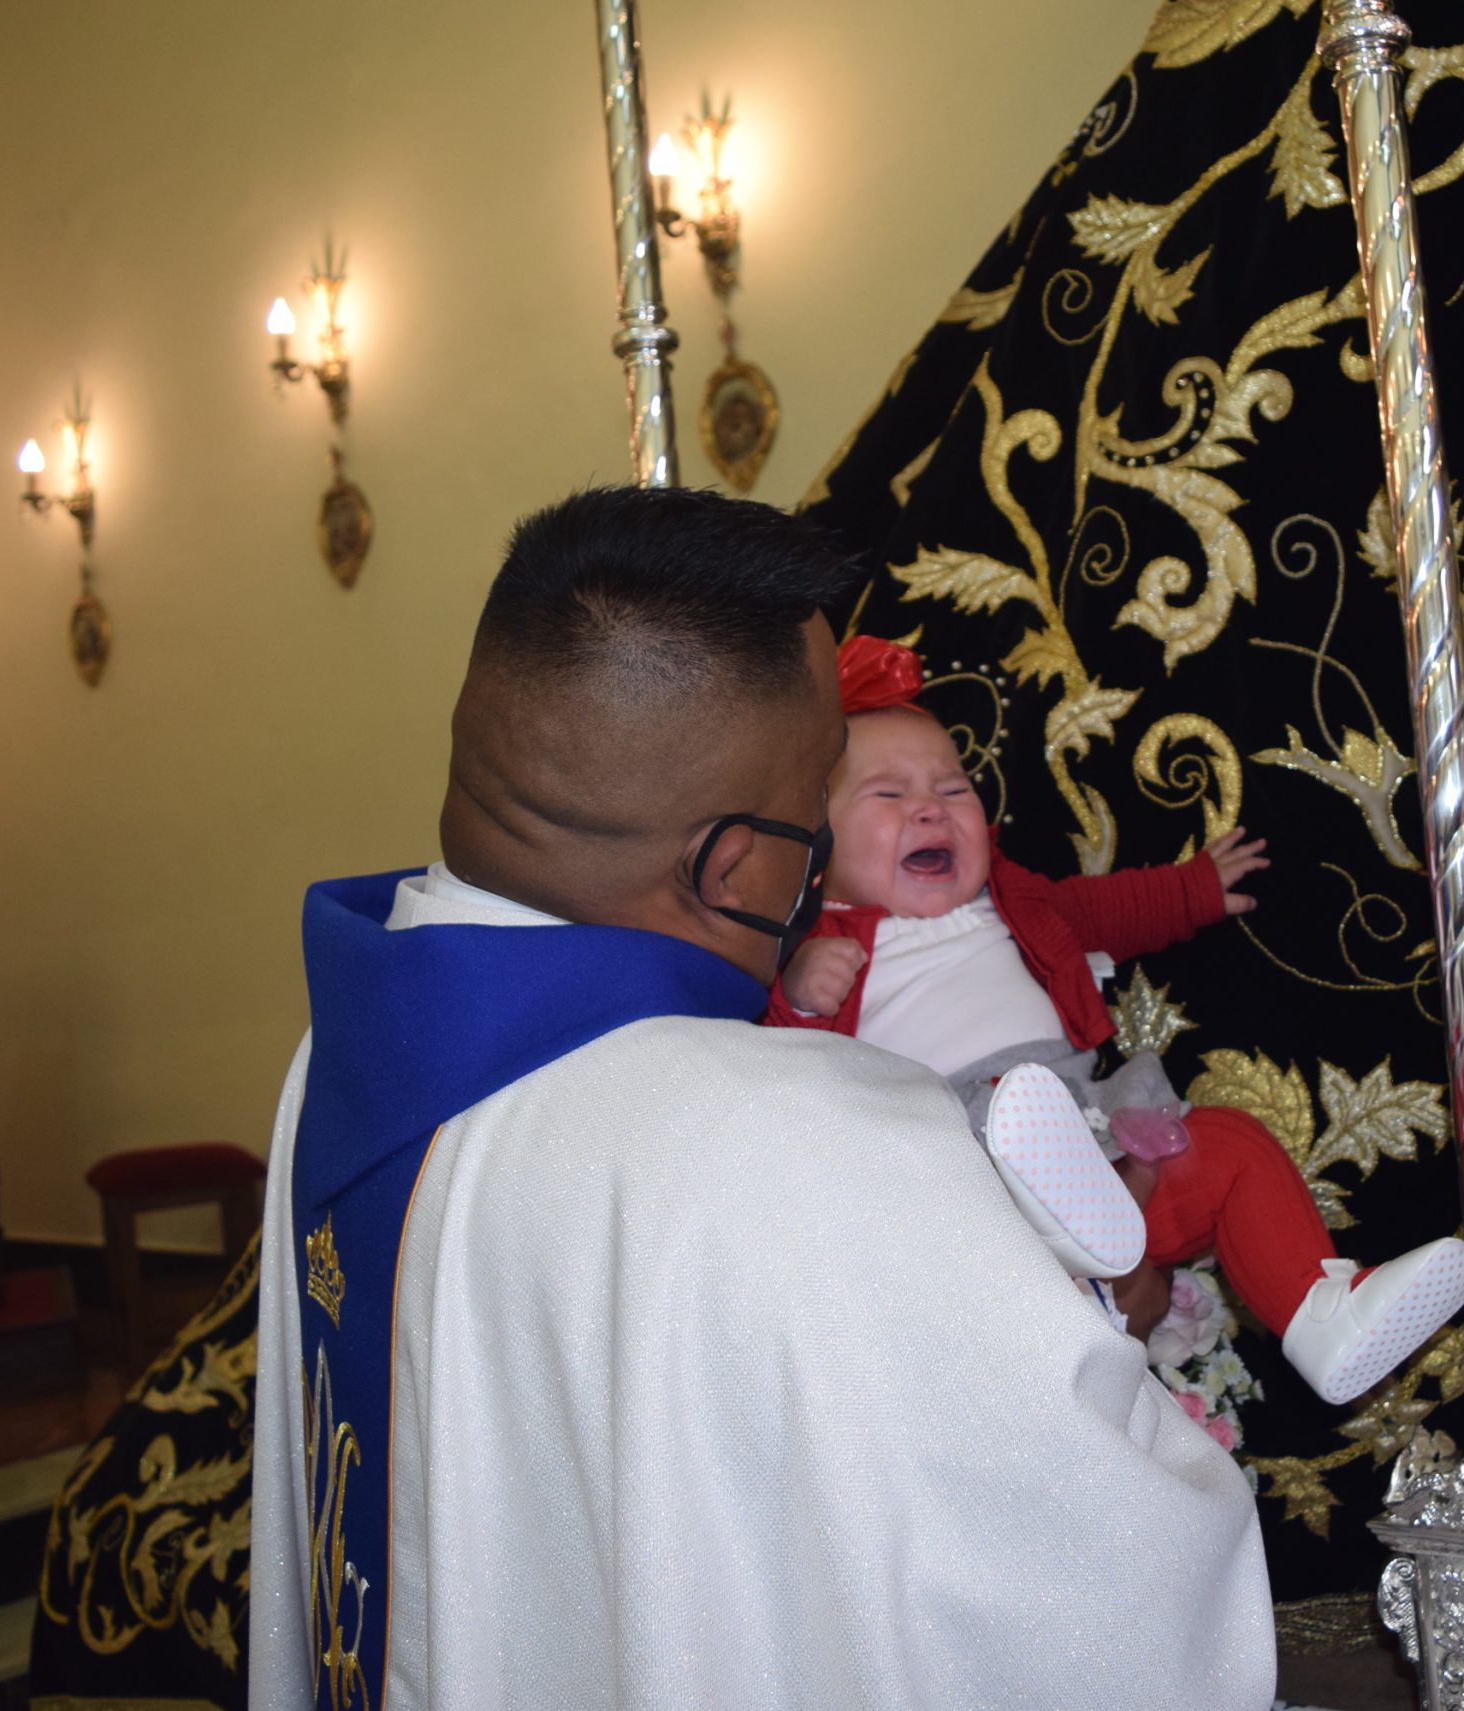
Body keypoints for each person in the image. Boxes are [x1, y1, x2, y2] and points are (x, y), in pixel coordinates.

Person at [245, 487, 1275, 1711]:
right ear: (734, 867)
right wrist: (1106, 1303)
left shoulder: (336, 1054)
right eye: (817, 801)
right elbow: (1105, 1602)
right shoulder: (799, 1137)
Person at [764, 637, 1464, 1406]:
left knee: (1229, 1147)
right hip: (959, 1180)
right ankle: (1062, 1239)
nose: (931, 806)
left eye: (954, 787)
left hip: (1087, 1136)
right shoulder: (811, 945)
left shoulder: (1015, 902)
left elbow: (1104, 909)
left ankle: (1321, 1312)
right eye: (888, 794)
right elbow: (777, 1077)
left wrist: (1194, 888)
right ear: (814, 840)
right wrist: (798, 994)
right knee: (1007, 1157)